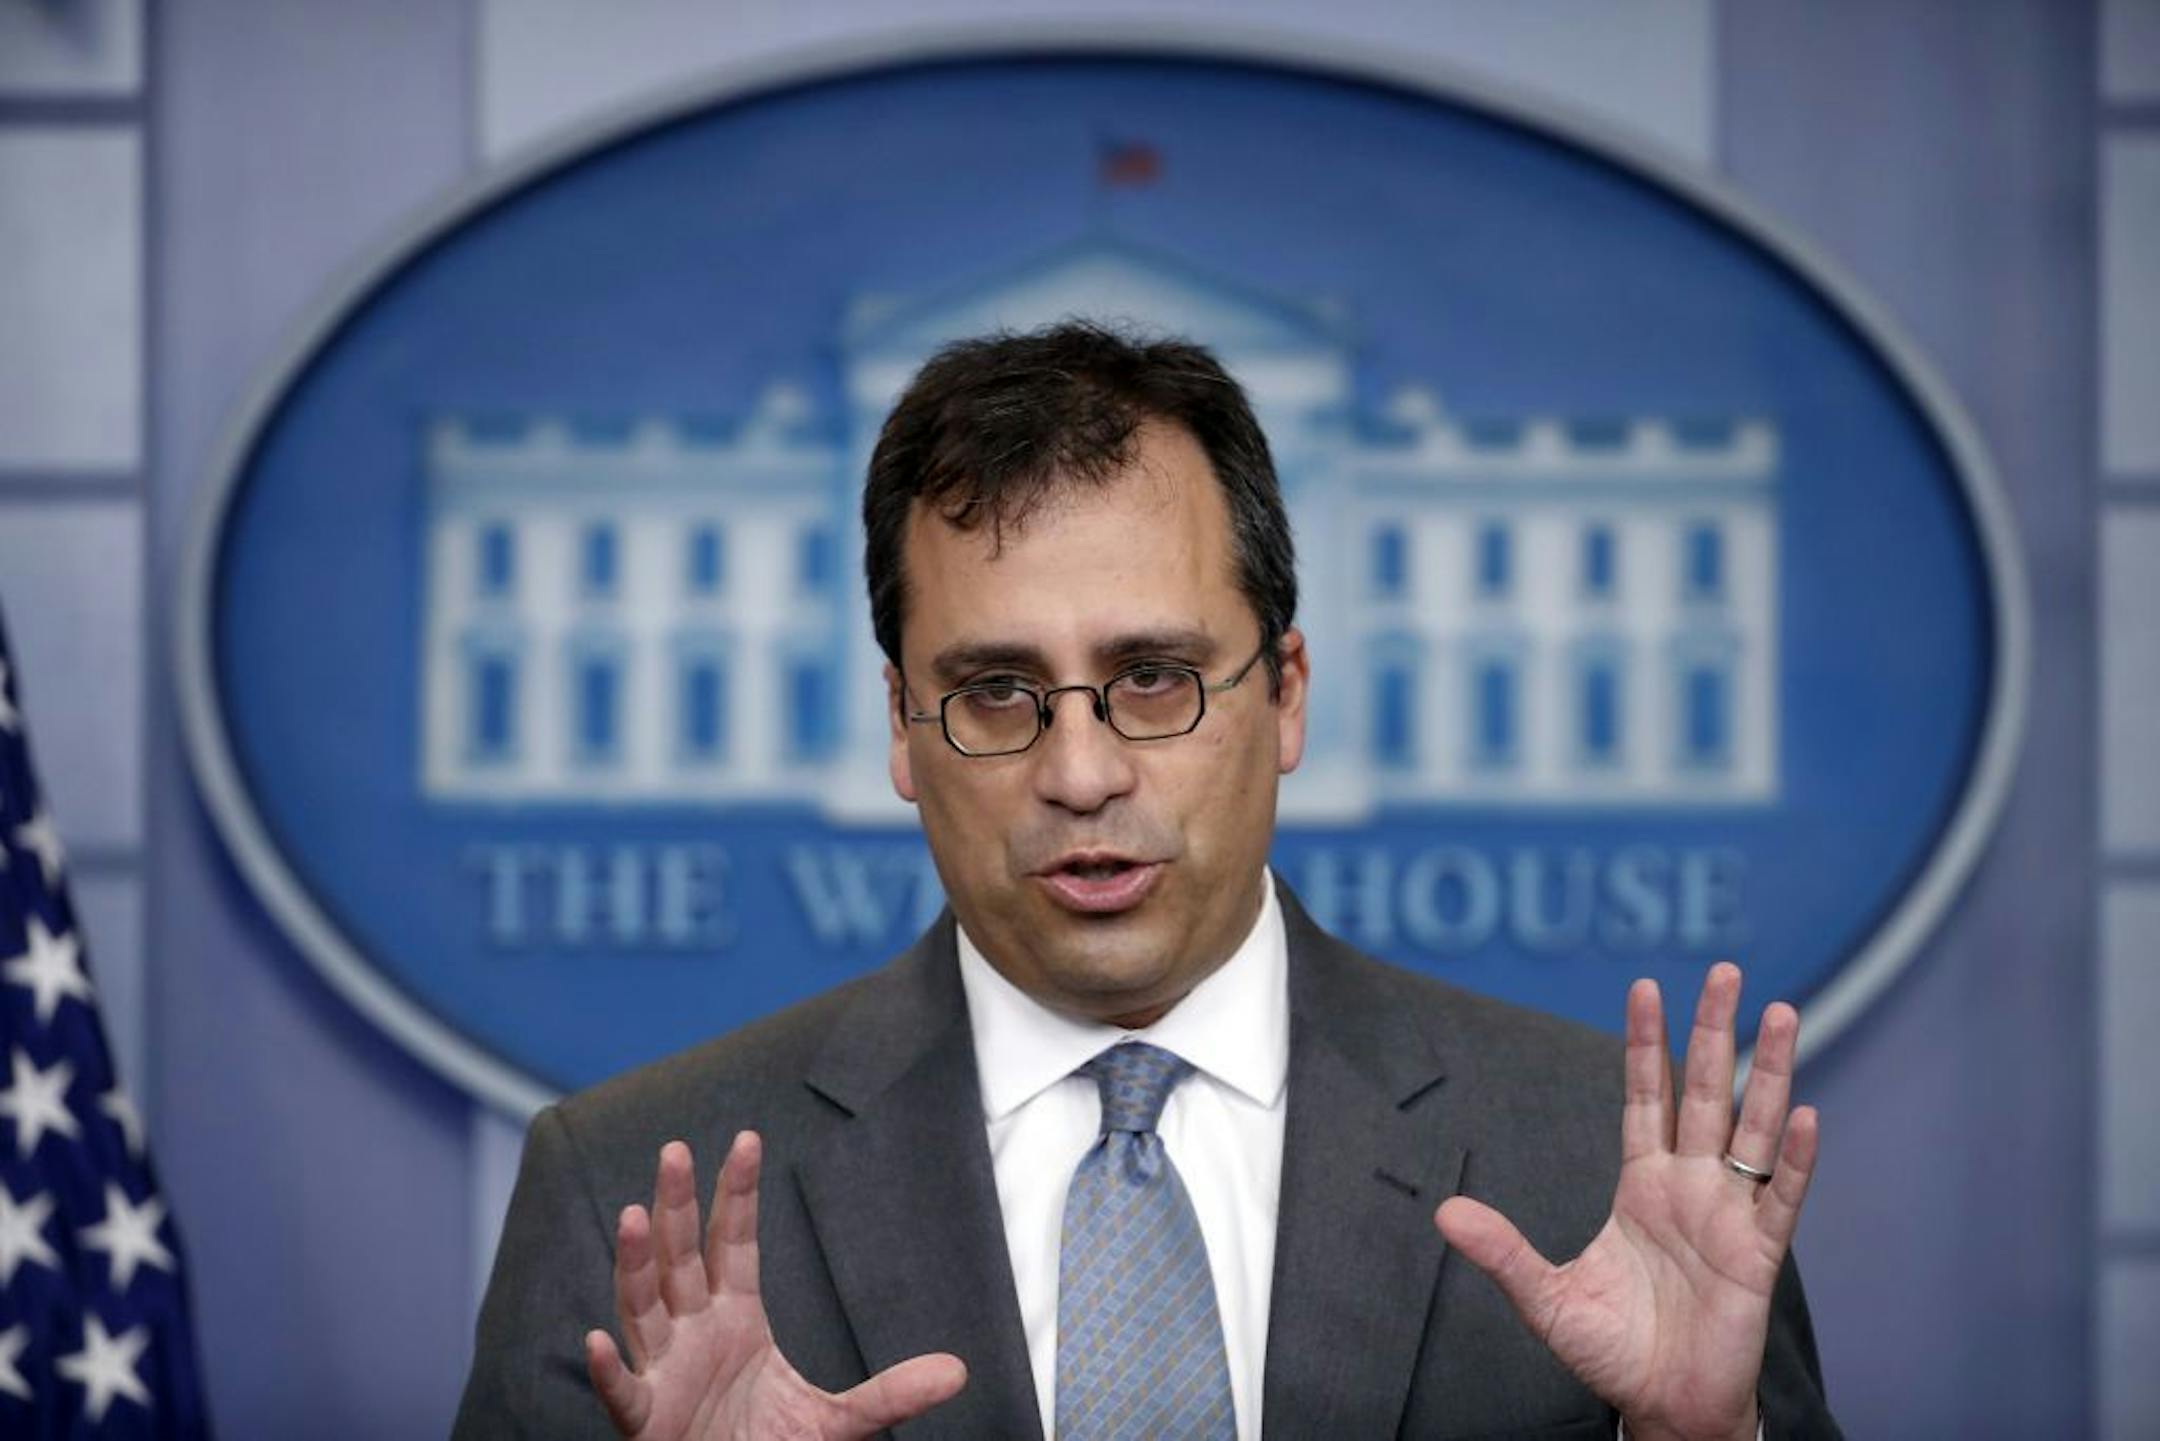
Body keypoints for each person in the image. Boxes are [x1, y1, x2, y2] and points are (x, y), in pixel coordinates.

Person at [453, 323, 1839, 1440]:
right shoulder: (633, 1202)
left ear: (1285, 695)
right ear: (901, 729)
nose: (1081, 771)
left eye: (1155, 678)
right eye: (996, 693)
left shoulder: (1595, 1165)